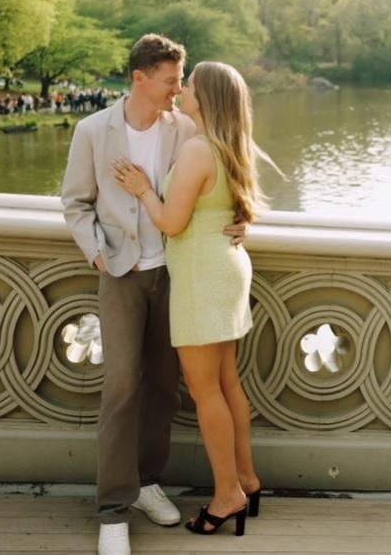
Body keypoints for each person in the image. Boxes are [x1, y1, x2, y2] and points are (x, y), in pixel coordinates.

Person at [61, 35, 245, 555]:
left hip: (177, 275)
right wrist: (97, 253)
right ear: (139, 78)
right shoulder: (92, 131)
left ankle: (146, 483)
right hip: (121, 274)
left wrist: (242, 216)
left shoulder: (184, 127)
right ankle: (113, 510)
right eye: (170, 81)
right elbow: (75, 203)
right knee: (121, 388)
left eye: (181, 81)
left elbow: (230, 165)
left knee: (165, 389)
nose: (178, 90)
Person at [112, 61, 271, 539]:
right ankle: (247, 480)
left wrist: (143, 189)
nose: (183, 90)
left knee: (206, 392)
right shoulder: (229, 145)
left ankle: (227, 495)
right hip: (225, 270)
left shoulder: (199, 149)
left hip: (202, 277)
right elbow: (227, 207)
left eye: (191, 86)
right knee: (227, 383)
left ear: (207, 99)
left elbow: (171, 222)